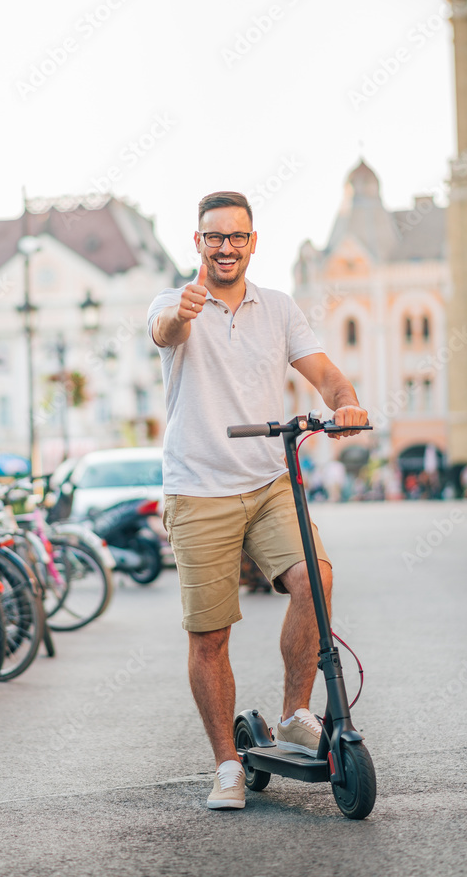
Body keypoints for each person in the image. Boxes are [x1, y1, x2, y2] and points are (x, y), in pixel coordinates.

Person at [147, 191, 368, 811]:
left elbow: (323, 371)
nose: (225, 247)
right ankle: (226, 765)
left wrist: (343, 400)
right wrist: (182, 313)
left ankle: (296, 711)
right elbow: (165, 331)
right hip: (198, 490)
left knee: (315, 578)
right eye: (214, 237)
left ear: (251, 242)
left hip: (268, 482)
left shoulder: (277, 308)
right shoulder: (174, 302)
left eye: (236, 237)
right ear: (198, 242)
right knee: (209, 635)